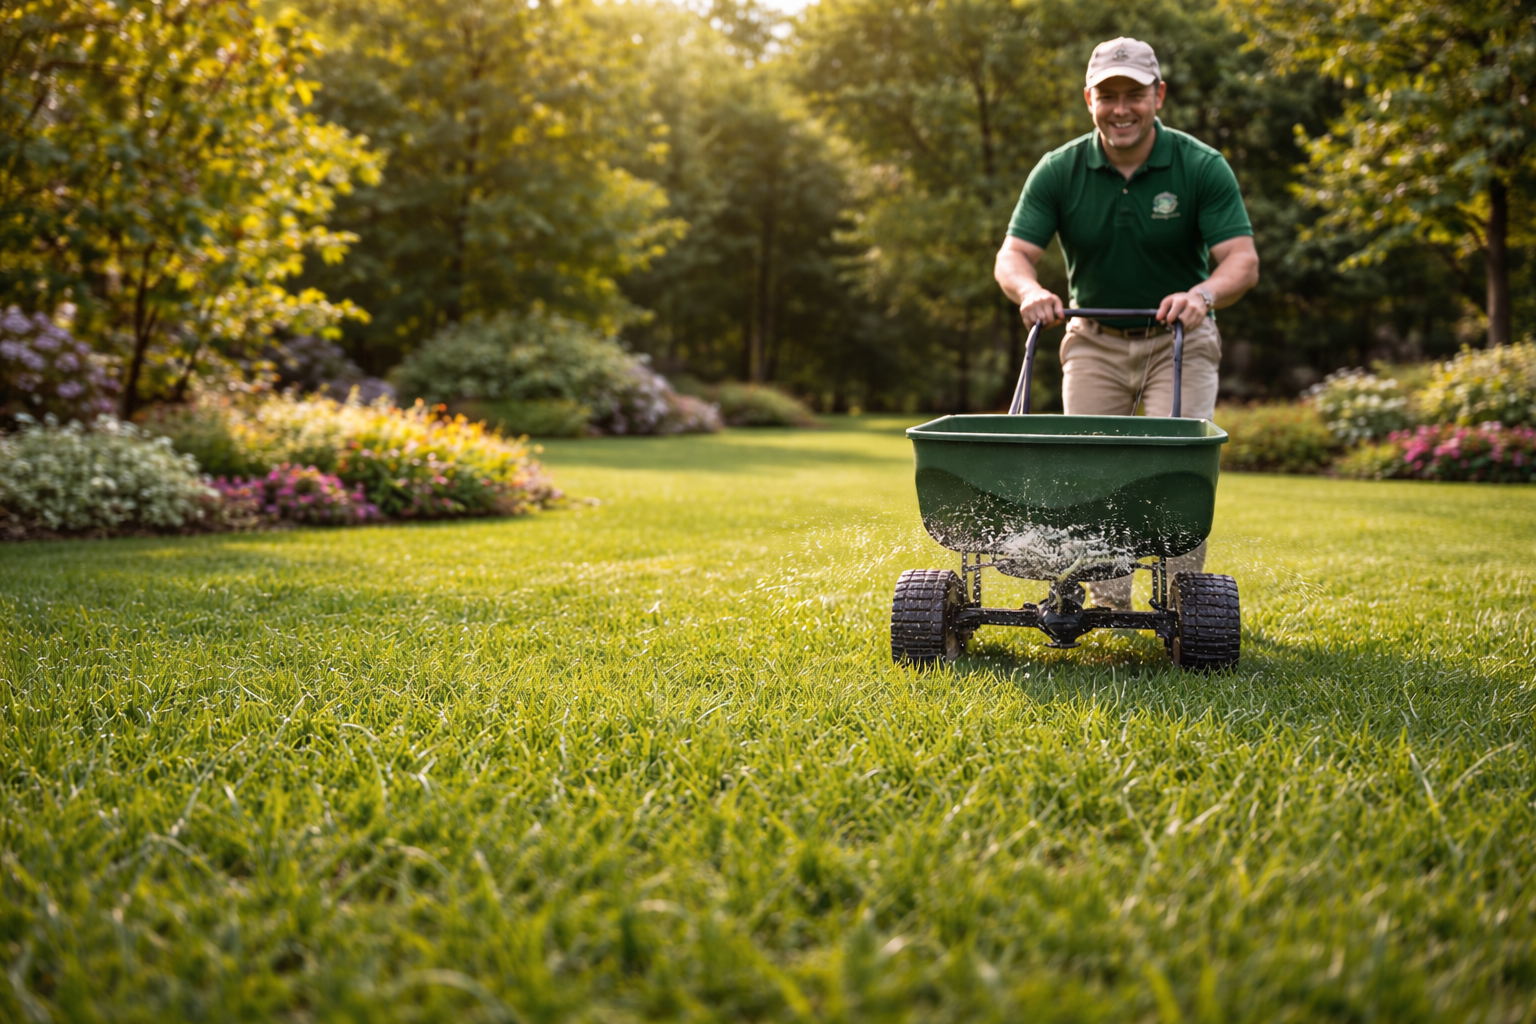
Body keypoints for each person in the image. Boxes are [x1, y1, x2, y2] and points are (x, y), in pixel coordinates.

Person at [993, 36, 1260, 611]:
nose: (1121, 108)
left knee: (1177, 467)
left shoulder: (1200, 165)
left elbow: (1242, 261)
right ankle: (1109, 605)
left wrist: (1203, 294)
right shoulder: (1059, 170)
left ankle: (1186, 606)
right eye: (1108, 94)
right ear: (1089, 98)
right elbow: (1012, 256)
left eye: (1134, 94)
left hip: (1178, 340)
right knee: (1090, 470)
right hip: (1092, 340)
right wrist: (1032, 290)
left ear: (1157, 95)